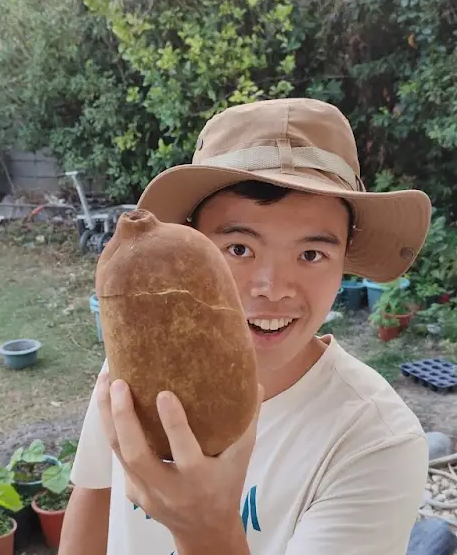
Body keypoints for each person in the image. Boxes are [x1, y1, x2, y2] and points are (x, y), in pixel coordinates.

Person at [59, 98, 432, 554]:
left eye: (311, 254)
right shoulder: (136, 366)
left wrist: (208, 532)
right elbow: (94, 496)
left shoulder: (376, 444)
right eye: (238, 248)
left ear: (343, 263)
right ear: (192, 246)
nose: (272, 289)